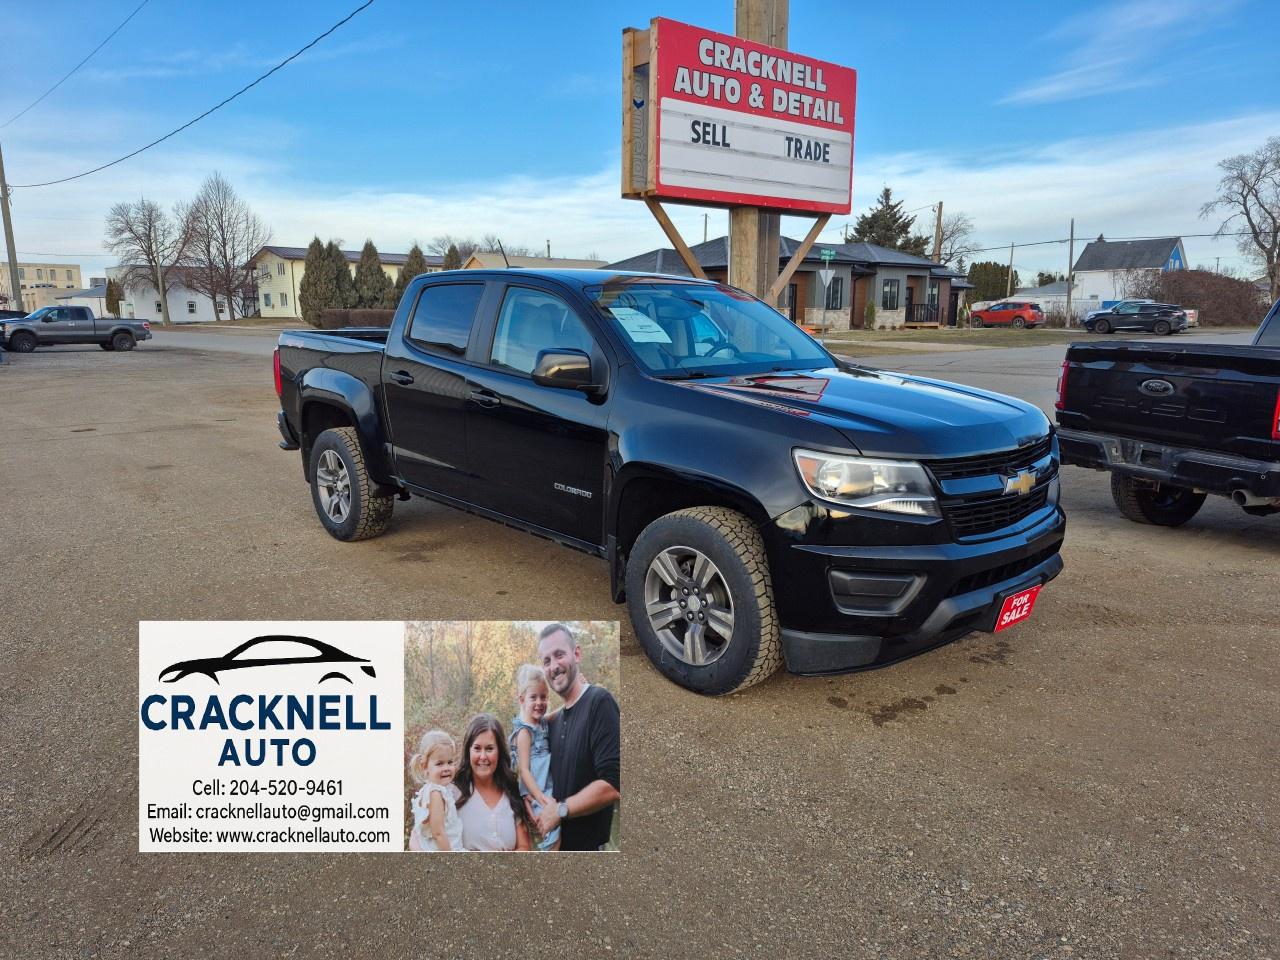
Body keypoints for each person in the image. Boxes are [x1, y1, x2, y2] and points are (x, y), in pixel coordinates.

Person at [535, 623, 621, 851]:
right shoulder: (554, 722)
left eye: (559, 655)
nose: (553, 666)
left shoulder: (599, 703)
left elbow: (613, 784)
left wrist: (560, 810)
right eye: (546, 660)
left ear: (577, 654)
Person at [452, 713, 531, 852]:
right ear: (468, 751)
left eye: (489, 748)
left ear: (499, 751)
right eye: (477, 748)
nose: (483, 756)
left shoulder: (511, 790)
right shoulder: (452, 792)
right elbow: (420, 837)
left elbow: (524, 846)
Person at [510, 664, 560, 851]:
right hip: (537, 790)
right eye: (534, 697)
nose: (539, 702)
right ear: (522, 699)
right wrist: (540, 797)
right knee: (552, 833)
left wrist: (577, 699)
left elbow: (557, 714)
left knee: (555, 831)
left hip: (547, 788)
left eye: (544, 697)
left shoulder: (541, 723)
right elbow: (523, 770)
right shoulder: (524, 732)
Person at [407, 729, 463, 852]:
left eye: (450, 762)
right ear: (424, 766)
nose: (447, 768)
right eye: (439, 764)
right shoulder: (435, 794)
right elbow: (438, 834)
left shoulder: (428, 790)